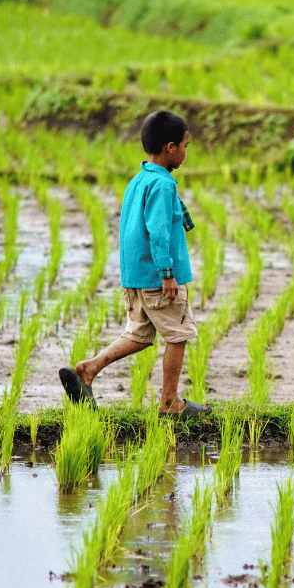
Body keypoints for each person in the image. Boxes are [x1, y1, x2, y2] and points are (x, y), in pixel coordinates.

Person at [59, 110, 210, 416]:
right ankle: (170, 403)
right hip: (158, 278)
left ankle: (89, 369)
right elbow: (158, 232)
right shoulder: (162, 185)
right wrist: (167, 274)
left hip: (137, 277)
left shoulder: (139, 180)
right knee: (179, 335)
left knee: (138, 335)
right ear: (170, 148)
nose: (186, 153)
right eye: (184, 146)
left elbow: (132, 231)